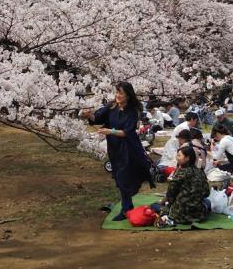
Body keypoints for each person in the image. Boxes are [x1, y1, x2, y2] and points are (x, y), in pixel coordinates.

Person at [83, 81, 154, 222]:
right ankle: (127, 205)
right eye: (117, 92)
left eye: (121, 93)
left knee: (124, 176)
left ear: (128, 95)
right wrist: (89, 115)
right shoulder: (111, 106)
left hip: (129, 147)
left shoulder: (132, 111)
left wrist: (110, 131)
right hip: (114, 147)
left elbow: (127, 132)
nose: (118, 95)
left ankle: (126, 208)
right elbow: (97, 118)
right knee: (119, 176)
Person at [152, 147, 210, 225]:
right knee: (207, 202)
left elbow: (170, 194)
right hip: (198, 214)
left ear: (187, 158)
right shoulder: (200, 172)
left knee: (154, 206)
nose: (176, 158)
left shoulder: (180, 173)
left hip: (180, 214)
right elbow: (206, 193)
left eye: (179, 156)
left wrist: (163, 202)